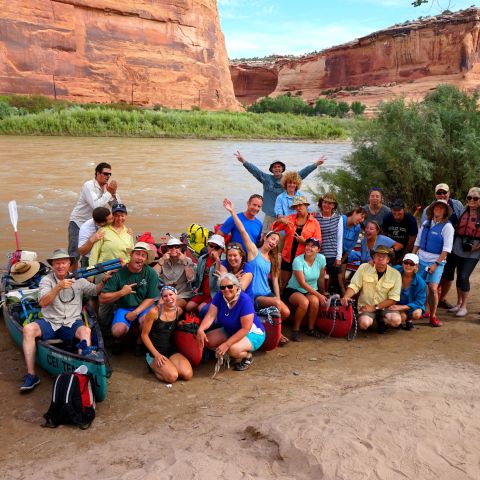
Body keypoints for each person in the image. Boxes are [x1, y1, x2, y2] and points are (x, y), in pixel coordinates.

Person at [20, 249, 108, 391]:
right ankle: (31, 374)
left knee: (86, 330)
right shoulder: (46, 280)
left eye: (63, 263)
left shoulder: (78, 279)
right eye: (57, 263)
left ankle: (82, 374)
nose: (60, 266)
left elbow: (94, 290)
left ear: (69, 264)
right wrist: (58, 287)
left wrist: (103, 281)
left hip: (72, 323)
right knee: (28, 329)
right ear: (53, 265)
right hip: (50, 322)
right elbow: (43, 302)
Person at [222, 198, 290, 343]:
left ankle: (274, 328)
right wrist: (232, 211)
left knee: (286, 311)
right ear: (265, 237)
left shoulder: (272, 258)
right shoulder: (253, 251)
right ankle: (274, 333)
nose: (273, 242)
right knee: (277, 305)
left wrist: (277, 297)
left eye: (276, 242)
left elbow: (275, 281)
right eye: (271, 239)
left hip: (267, 292)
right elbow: (242, 230)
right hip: (256, 295)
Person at [235, 151, 326, 234]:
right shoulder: (266, 178)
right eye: (274, 167)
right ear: (271, 169)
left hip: (286, 217)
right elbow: (255, 171)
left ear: (282, 169)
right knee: (267, 237)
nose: (277, 168)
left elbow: (303, 173)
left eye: (279, 167)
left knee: (285, 237)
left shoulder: (288, 180)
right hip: (270, 215)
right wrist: (244, 161)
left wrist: (316, 164)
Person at [196, 273, 266, 371]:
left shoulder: (244, 300)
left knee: (233, 350)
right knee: (208, 341)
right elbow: (211, 315)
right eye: (223, 287)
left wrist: (227, 344)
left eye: (229, 286)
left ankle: (247, 356)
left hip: (252, 333)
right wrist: (201, 329)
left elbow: (245, 329)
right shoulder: (220, 295)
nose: (226, 289)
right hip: (231, 329)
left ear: (237, 286)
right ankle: (228, 350)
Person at [99, 242, 159, 352]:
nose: (140, 258)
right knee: (117, 331)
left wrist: (135, 313)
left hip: (144, 307)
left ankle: (140, 341)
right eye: (137, 254)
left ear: (146, 259)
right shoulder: (118, 273)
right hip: (124, 307)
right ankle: (119, 341)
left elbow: (151, 298)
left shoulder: (151, 273)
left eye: (143, 255)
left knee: (146, 320)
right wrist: (121, 293)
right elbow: (102, 298)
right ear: (131, 255)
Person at [68, 162, 120, 266]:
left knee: (92, 252)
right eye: (105, 173)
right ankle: (71, 279)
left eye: (110, 174)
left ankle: (86, 275)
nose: (108, 176)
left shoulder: (107, 188)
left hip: (95, 223)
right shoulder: (88, 185)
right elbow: (96, 206)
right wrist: (109, 193)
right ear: (97, 173)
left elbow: (117, 207)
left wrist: (113, 194)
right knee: (74, 255)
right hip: (79, 222)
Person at [412, 199, 455, 327]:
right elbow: (418, 242)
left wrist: (435, 264)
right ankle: (421, 310)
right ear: (432, 209)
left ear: (445, 211)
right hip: (421, 258)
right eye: (437, 207)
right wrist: (413, 257)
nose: (438, 209)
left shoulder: (448, 227)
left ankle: (433, 315)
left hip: (436, 261)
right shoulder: (425, 223)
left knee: (432, 287)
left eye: (442, 208)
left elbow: (446, 249)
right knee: (419, 285)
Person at [421, 182, 463, 309]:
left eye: (444, 192)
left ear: (449, 193)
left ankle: (441, 299)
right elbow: (424, 230)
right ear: (435, 194)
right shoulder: (428, 209)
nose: (442, 195)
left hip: (453, 246)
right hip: (434, 249)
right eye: (439, 193)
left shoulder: (457, 205)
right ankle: (427, 302)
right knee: (431, 276)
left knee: (448, 275)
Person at [341, 245, 402, 332]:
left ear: (388, 260)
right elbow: (354, 285)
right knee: (363, 324)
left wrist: (375, 307)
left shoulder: (396, 274)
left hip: (386, 307)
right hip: (366, 307)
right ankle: (375, 323)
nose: (380, 259)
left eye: (383, 256)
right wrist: (346, 297)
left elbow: (393, 299)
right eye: (378, 256)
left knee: (396, 321)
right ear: (373, 257)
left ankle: (381, 321)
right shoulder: (364, 267)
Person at [141, 286, 193, 383]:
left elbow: (170, 327)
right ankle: (153, 366)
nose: (168, 298)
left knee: (187, 374)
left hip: (170, 349)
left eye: (171, 294)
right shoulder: (154, 312)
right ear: (162, 298)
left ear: (176, 295)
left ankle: (167, 366)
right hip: (155, 351)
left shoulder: (179, 310)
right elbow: (144, 335)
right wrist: (156, 355)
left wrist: (179, 324)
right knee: (172, 376)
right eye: (165, 296)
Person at [271, 195, 321, 289]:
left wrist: (305, 242)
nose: (298, 208)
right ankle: (282, 301)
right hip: (288, 256)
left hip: (302, 259)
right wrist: (280, 221)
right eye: (296, 206)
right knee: (284, 284)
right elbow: (274, 229)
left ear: (306, 205)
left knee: (298, 285)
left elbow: (318, 243)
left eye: (300, 205)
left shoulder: (314, 223)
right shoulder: (289, 218)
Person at [444, 188, 480, 317]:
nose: (472, 200)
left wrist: (475, 247)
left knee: (464, 276)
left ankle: (464, 306)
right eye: (469, 198)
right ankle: (459, 303)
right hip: (459, 246)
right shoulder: (463, 211)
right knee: (459, 275)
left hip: (474, 250)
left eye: (475, 198)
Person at [283, 237, 327, 341]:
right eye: (307, 245)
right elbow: (302, 283)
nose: (309, 248)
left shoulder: (321, 259)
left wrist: (323, 293)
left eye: (313, 246)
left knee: (315, 302)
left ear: (318, 249)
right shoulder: (298, 260)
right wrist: (319, 295)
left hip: (311, 289)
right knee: (304, 302)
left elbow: (321, 278)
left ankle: (310, 329)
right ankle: (295, 330)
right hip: (294, 289)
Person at [186, 234, 225, 314]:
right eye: (211, 246)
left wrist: (217, 260)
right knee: (189, 306)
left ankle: (205, 318)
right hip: (203, 292)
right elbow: (198, 277)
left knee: (201, 308)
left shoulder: (223, 262)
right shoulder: (202, 259)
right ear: (208, 247)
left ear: (222, 250)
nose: (213, 249)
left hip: (215, 293)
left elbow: (221, 280)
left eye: (217, 247)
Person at [154, 237, 196, 309]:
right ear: (167, 249)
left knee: (172, 306)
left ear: (180, 249)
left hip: (182, 294)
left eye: (176, 247)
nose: (173, 249)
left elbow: (191, 278)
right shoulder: (163, 260)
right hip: (166, 294)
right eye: (170, 247)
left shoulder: (187, 260)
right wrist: (161, 262)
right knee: (160, 305)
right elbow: (152, 276)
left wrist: (184, 263)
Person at [88, 203, 134, 267]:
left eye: (122, 215)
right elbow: (94, 254)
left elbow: (131, 254)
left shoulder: (129, 233)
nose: (120, 218)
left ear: (126, 216)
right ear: (112, 216)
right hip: (105, 270)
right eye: (116, 215)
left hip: (123, 270)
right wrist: (91, 273)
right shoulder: (102, 231)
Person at [389, 253, 427, 330]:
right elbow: (384, 268)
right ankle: (404, 319)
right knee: (401, 318)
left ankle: (409, 319)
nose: (408, 265)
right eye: (406, 262)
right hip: (397, 302)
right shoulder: (396, 270)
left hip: (411, 305)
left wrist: (402, 307)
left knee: (416, 314)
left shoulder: (421, 282)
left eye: (411, 264)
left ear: (416, 266)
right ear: (402, 263)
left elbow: (420, 301)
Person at [314, 192, 342, 293]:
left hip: (332, 254)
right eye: (325, 202)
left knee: (332, 281)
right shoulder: (315, 217)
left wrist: (338, 257)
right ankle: (321, 297)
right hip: (318, 254)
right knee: (318, 279)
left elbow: (339, 238)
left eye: (330, 203)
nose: (327, 205)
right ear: (321, 203)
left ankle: (331, 302)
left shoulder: (338, 218)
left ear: (334, 205)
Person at [338, 207, 366, 294]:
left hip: (344, 254)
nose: (361, 220)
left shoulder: (357, 228)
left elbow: (352, 245)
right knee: (336, 276)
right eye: (361, 216)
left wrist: (342, 259)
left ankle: (344, 296)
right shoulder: (341, 220)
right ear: (354, 212)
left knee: (342, 277)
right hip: (333, 251)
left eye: (363, 218)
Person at [382, 199, 418, 263]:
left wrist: (404, 256)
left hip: (406, 248)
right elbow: (383, 235)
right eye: (394, 210)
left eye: (399, 210)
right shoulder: (387, 217)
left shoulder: (410, 219)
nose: (396, 212)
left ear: (404, 210)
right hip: (391, 248)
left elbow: (412, 240)